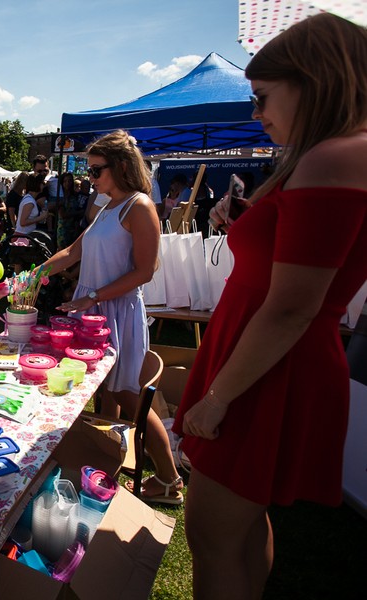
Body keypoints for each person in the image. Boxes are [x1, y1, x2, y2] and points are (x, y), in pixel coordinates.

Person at [172, 15, 367, 599]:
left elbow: (291, 309)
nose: (256, 113)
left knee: (213, 535)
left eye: (261, 97)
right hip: (265, 357)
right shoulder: (332, 156)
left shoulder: (333, 156)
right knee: (240, 528)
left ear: (313, 81)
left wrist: (218, 398)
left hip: (267, 366)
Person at [42, 129, 183, 504]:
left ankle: (169, 479)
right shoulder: (107, 207)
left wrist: (92, 297)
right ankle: (104, 465)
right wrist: (27, 278)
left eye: (95, 170)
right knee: (104, 391)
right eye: (88, 171)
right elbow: (71, 253)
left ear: (120, 167)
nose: (89, 178)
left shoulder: (139, 206)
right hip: (93, 312)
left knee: (128, 394)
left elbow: (145, 271)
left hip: (116, 312)